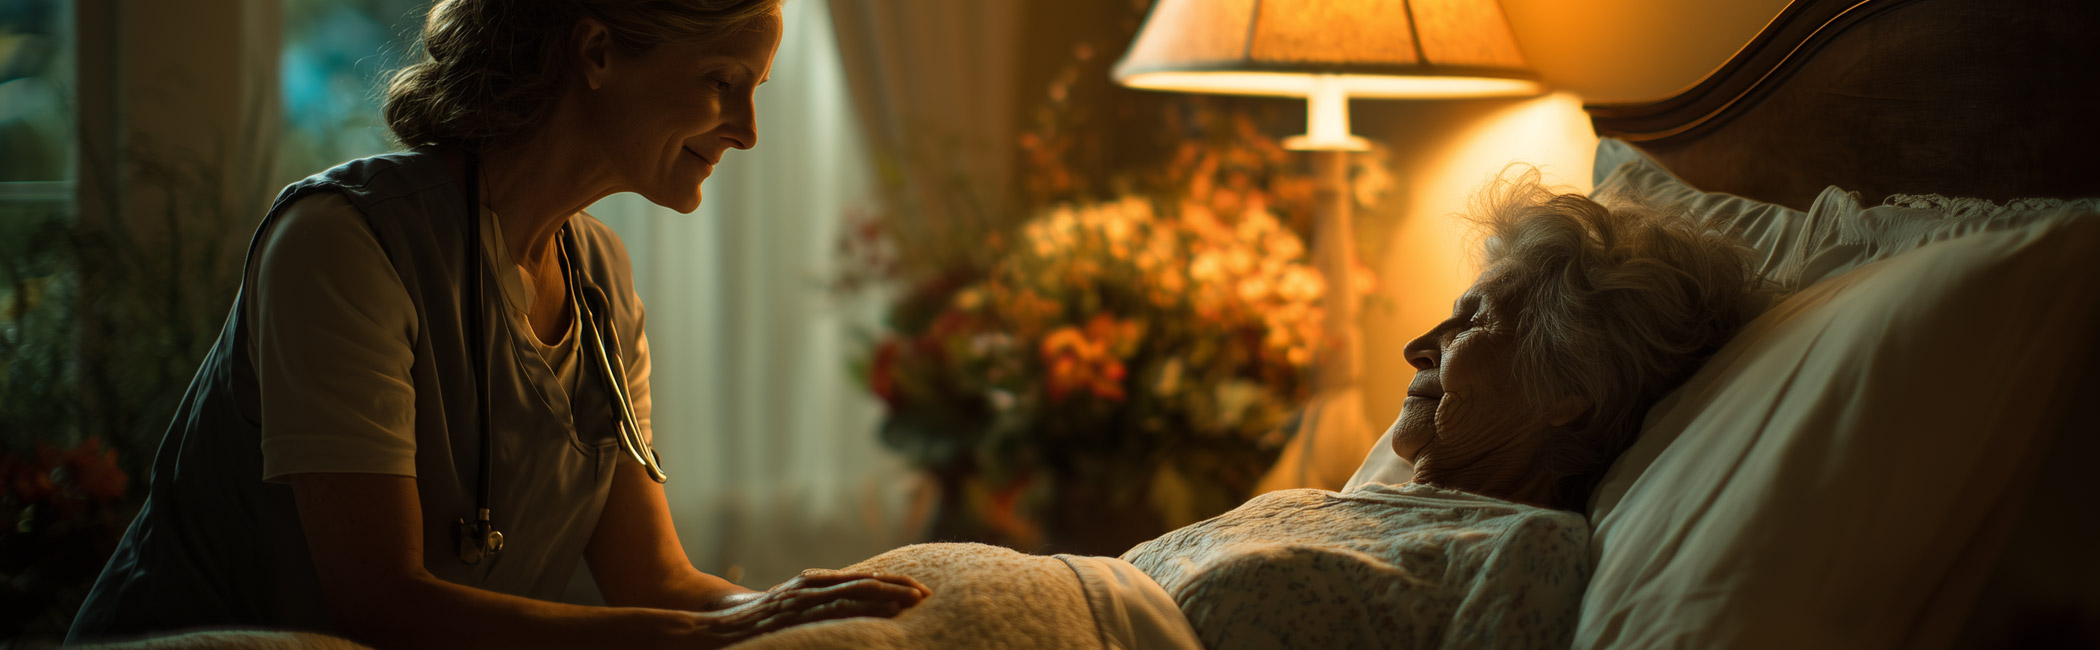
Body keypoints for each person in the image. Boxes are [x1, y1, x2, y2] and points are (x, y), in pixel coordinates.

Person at [67, 2, 927, 649]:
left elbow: (657, 580)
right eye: (720, 82)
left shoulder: (600, 277)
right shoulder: (342, 242)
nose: (744, 131)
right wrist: (694, 639)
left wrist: (786, 612)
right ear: (596, 52)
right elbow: (383, 602)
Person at [707, 170, 1767, 650]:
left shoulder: (1525, 557)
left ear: (1570, 385)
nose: (1422, 346)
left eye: (1472, 320)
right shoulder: (1374, 505)